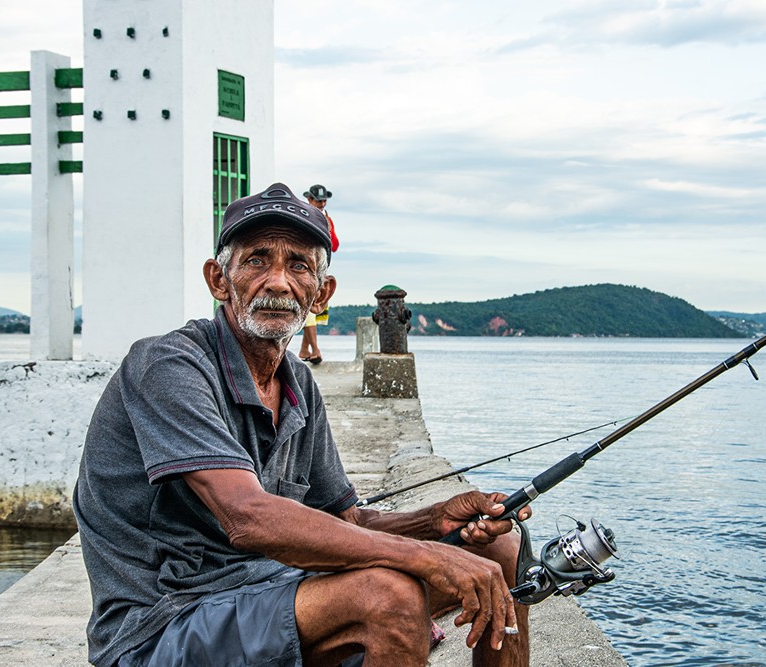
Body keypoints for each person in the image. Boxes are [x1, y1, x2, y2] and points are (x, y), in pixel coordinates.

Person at [73, 182, 530, 667]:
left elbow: (348, 520)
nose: (277, 281)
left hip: (268, 592)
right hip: (162, 626)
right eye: (255, 261)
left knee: (500, 552)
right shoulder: (168, 365)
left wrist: (434, 521)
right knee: (386, 595)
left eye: (298, 265)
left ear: (321, 292)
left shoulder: (297, 383)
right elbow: (248, 517)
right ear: (218, 279)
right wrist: (428, 557)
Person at [297, 183, 338, 364]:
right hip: (306, 268)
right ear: (309, 199)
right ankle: (315, 350)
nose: (322, 204)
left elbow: (334, 245)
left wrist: (328, 228)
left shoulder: (327, 219)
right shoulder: (302, 215)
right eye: (318, 201)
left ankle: (305, 349)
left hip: (320, 268)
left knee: (316, 309)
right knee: (310, 311)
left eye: (323, 201)